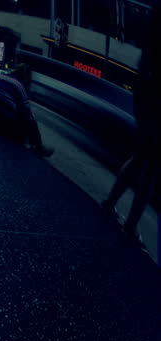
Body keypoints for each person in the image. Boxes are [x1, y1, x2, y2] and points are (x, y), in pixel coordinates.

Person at [100, 5, 160, 246]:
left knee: (139, 159)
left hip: (147, 101)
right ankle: (131, 225)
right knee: (152, 171)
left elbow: (142, 71)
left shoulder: (152, 37)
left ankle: (110, 203)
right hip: (155, 106)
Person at [0, 64, 53, 158]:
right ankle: (39, 148)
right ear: (27, 78)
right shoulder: (19, 85)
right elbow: (28, 117)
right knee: (28, 119)